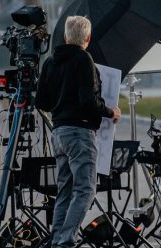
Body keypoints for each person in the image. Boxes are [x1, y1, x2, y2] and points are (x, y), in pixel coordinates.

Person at [36, 16, 121, 248]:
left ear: (65, 36)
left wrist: (61, 104)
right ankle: (66, 240)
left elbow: (40, 100)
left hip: (59, 132)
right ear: (88, 38)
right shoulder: (84, 60)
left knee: (65, 190)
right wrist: (110, 111)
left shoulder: (51, 61)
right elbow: (88, 101)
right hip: (80, 132)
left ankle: (57, 239)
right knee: (85, 190)